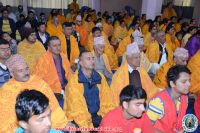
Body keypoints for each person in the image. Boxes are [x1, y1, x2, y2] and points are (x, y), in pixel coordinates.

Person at [0, 54, 74, 133]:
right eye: (20, 70)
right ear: (12, 73)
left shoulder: (38, 81)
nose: (26, 72)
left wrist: (64, 123)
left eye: (27, 68)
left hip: (49, 123)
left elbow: (53, 105)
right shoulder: (6, 90)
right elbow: (6, 120)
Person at [64, 50, 114, 128]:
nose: (92, 61)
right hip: (80, 118)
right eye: (88, 59)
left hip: (98, 115)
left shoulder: (100, 77)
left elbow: (107, 100)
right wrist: (86, 126)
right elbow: (77, 108)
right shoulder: (74, 81)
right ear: (80, 62)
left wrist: (108, 117)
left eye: (93, 58)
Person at [111, 43, 159, 107]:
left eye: (139, 57)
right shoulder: (119, 75)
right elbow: (117, 97)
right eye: (136, 57)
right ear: (128, 58)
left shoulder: (141, 70)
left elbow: (151, 89)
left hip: (144, 103)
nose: (139, 60)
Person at [146, 65, 191, 133]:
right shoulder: (158, 102)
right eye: (184, 82)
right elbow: (146, 127)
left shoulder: (185, 98)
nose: (189, 84)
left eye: (189, 81)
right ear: (172, 83)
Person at [33, 36, 71, 107]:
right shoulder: (43, 60)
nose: (58, 48)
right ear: (49, 47)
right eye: (54, 46)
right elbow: (37, 79)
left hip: (65, 88)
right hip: (51, 91)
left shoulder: (63, 56)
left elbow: (69, 74)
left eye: (59, 45)